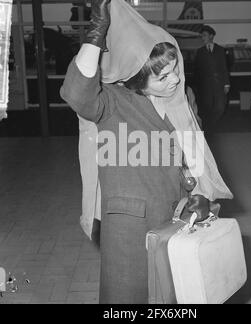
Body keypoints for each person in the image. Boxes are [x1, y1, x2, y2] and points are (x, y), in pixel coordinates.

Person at [61, 0, 233, 304]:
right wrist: (95, 36)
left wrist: (199, 192)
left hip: (177, 220)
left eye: (175, 69)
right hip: (130, 230)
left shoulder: (182, 99)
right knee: (129, 299)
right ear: (137, 77)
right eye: (163, 76)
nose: (175, 80)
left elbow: (190, 156)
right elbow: (76, 93)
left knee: (171, 297)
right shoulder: (112, 102)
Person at [193, 25, 230, 136]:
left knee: (220, 107)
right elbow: (197, 71)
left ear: (211, 36)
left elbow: (224, 67)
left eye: (204, 36)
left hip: (219, 84)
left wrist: (227, 83)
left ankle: (210, 125)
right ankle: (208, 130)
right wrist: (197, 87)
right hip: (205, 86)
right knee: (206, 108)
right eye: (202, 36)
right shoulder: (200, 52)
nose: (202, 38)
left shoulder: (220, 50)